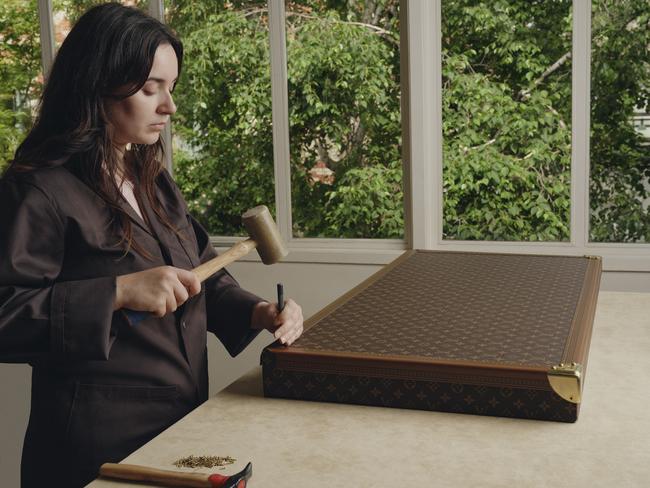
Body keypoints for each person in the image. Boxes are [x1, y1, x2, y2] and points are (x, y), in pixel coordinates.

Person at [0, 3, 303, 487]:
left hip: (180, 429)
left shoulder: (151, 180)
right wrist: (116, 293)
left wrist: (260, 311)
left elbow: (200, 271)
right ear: (97, 87)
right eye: (149, 89)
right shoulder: (38, 189)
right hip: (93, 451)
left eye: (171, 88)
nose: (169, 106)